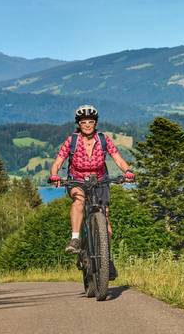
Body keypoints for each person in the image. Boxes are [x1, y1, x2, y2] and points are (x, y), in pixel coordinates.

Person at [49, 105, 135, 255]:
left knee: (105, 216)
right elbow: (57, 162)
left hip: (100, 180)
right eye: (83, 122)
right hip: (77, 180)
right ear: (78, 124)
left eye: (90, 121)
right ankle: (75, 239)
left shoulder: (104, 140)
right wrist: (54, 175)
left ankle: (106, 260)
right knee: (79, 200)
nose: (87, 125)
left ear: (95, 123)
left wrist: (127, 171)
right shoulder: (72, 141)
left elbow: (118, 159)